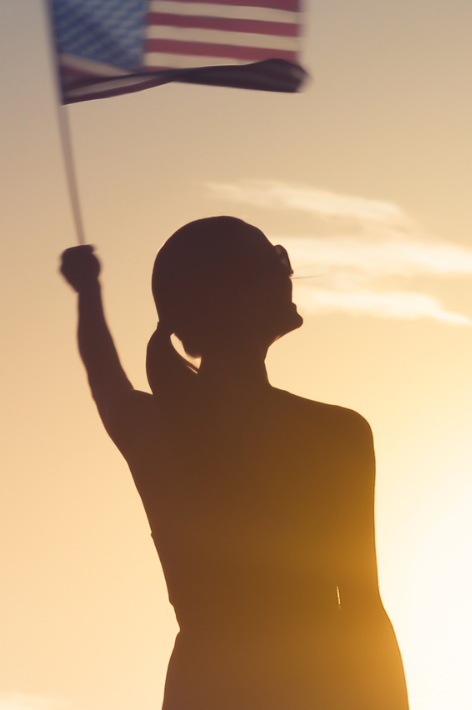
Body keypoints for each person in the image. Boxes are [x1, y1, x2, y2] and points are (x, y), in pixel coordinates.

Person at [60, 217, 409, 710]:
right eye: (273, 264)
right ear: (229, 296)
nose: (286, 274)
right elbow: (363, 611)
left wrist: (87, 292)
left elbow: (104, 374)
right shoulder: (338, 434)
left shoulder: (155, 430)